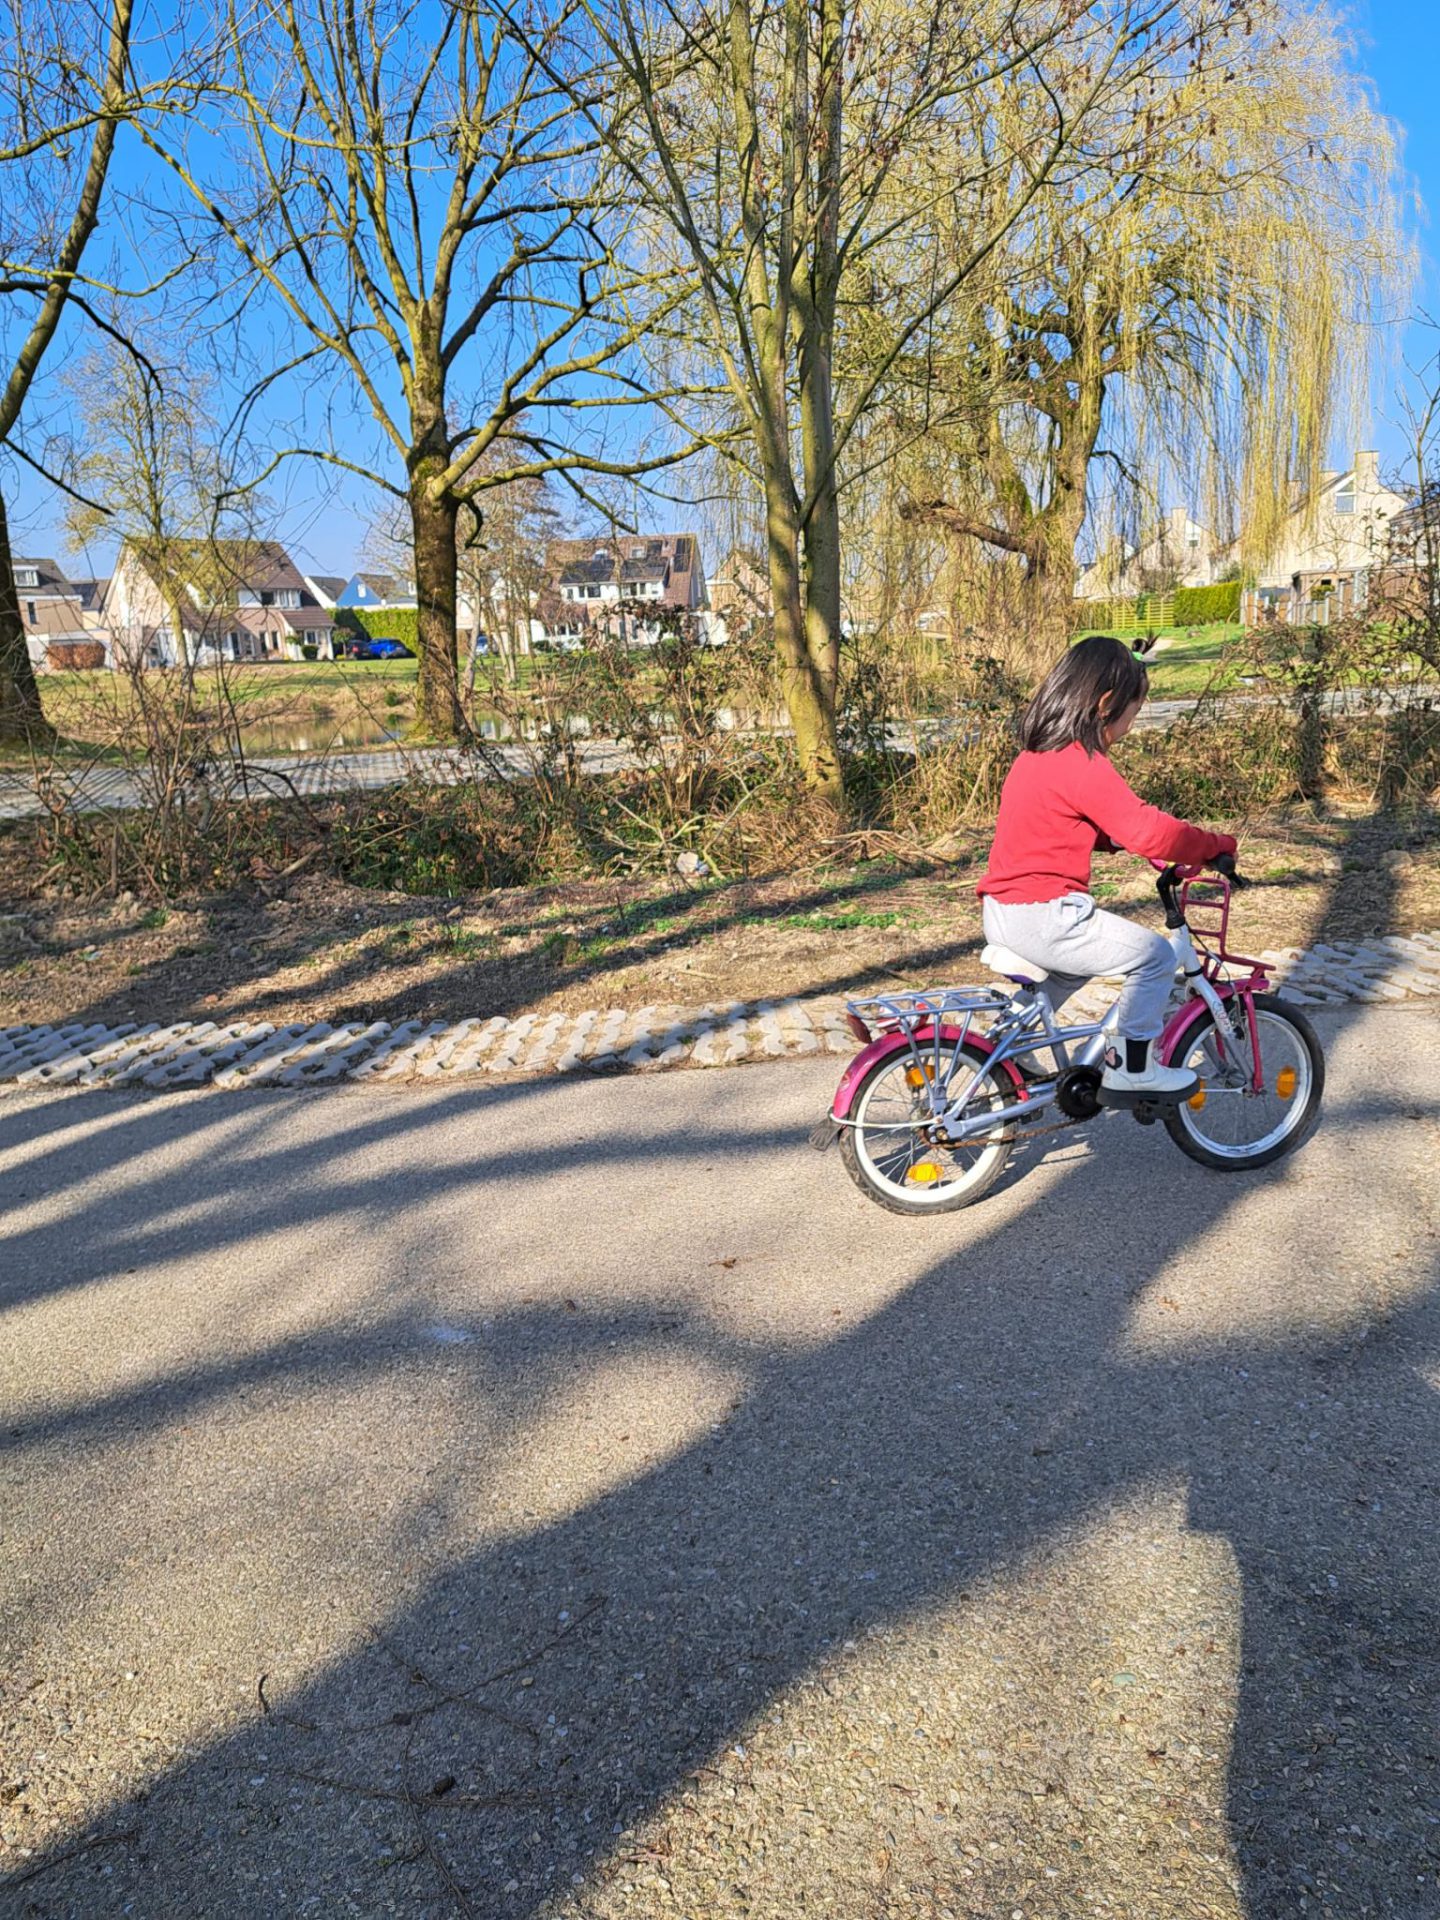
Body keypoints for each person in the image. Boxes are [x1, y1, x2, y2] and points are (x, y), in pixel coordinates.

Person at [977, 634, 1237, 1105]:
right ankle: (1134, 1070)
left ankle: (1005, 1046)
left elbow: (1063, 824)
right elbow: (1146, 827)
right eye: (1133, 714)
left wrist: (1117, 840)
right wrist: (1212, 846)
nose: (1131, 726)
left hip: (1004, 911)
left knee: (1070, 972)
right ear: (1105, 705)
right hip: (1046, 914)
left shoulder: (1035, 757)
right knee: (1154, 957)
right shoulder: (1082, 762)